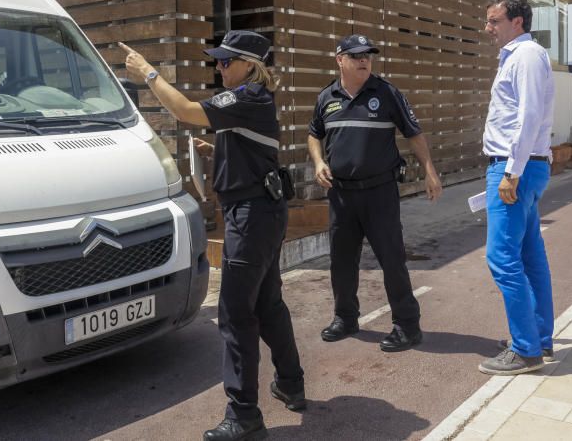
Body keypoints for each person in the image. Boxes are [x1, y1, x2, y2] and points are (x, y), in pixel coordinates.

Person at [120, 31, 304, 441]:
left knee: (237, 313)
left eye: (225, 61)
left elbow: (184, 109)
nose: (218, 67)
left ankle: (244, 414)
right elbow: (250, 147)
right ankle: (291, 383)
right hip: (264, 212)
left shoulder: (247, 97)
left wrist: (148, 72)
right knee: (268, 302)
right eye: (216, 61)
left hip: (251, 217)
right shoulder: (250, 103)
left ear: (250, 66)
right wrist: (217, 148)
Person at [307, 33, 442, 350]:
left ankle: (407, 326)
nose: (363, 60)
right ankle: (345, 318)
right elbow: (314, 134)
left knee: (392, 260)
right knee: (341, 262)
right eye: (355, 55)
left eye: (367, 54)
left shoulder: (387, 93)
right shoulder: (327, 98)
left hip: (380, 193)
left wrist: (430, 171)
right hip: (341, 195)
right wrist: (317, 162)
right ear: (340, 59)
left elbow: (414, 133)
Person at [479, 0, 556, 375]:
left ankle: (526, 349)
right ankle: (538, 337)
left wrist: (511, 171)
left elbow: (528, 115)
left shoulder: (524, 56)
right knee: (530, 257)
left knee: (502, 258)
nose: (488, 28)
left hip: (515, 169)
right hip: (528, 166)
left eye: (494, 21)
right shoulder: (526, 55)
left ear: (517, 23)